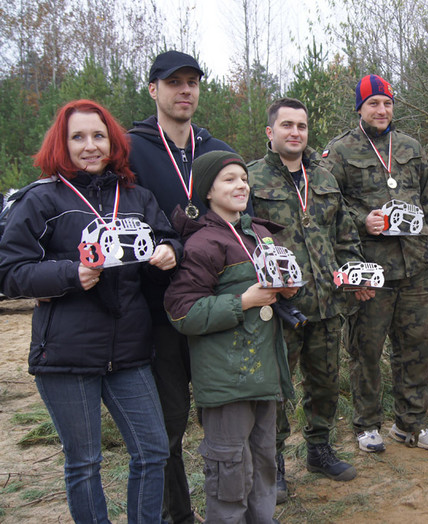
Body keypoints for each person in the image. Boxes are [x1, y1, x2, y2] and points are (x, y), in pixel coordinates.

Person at [0, 99, 180, 522]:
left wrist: (170, 250)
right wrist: (69, 274)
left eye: (98, 136)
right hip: (67, 352)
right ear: (61, 144)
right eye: (77, 137)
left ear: (112, 141)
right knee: (84, 463)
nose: (90, 146)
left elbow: (168, 236)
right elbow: (9, 272)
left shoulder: (136, 196)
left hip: (130, 350)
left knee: (153, 451)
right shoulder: (41, 199)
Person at [128, 50, 238, 524]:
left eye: (192, 82)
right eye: (174, 82)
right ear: (153, 89)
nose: (185, 90)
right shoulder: (130, 149)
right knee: (170, 419)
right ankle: (179, 511)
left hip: (211, 303)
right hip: (158, 307)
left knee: (220, 411)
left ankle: (231, 500)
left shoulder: (211, 147)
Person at [164, 150, 294, 523]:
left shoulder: (260, 232)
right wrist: (243, 301)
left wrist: (286, 289)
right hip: (226, 381)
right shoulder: (203, 244)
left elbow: (278, 277)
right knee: (230, 473)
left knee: (265, 465)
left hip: (265, 373)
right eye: (229, 179)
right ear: (207, 190)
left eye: (243, 178)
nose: (241, 185)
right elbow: (182, 311)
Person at [248, 98, 364, 500]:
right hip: (280, 308)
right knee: (277, 388)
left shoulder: (325, 178)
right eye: (286, 125)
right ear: (270, 132)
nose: (295, 132)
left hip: (328, 302)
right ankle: (273, 462)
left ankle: (318, 449)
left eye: (301, 125)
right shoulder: (252, 179)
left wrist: (354, 273)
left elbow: (345, 235)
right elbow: (243, 241)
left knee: (326, 382)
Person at [321, 74, 428, 452]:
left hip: (414, 269)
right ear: (360, 108)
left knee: (417, 347)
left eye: (387, 103)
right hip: (370, 271)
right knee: (367, 349)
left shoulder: (409, 146)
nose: (381, 110)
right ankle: (367, 424)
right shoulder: (340, 151)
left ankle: (411, 423)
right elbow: (328, 205)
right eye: (373, 103)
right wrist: (363, 221)